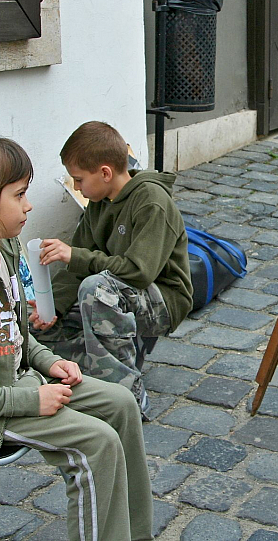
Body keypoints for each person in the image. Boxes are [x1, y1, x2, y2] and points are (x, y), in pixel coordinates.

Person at [0, 132, 153, 541]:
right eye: (19, 195)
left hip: (17, 383)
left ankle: (135, 534)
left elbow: (16, 333)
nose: (29, 205)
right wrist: (30, 400)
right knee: (97, 443)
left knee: (121, 402)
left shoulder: (4, 249)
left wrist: (47, 361)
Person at [33, 121, 192, 419]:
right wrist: (48, 309)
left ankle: (126, 397)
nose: (77, 187)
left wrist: (75, 256)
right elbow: (73, 271)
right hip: (115, 291)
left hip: (163, 300)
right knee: (35, 332)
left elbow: (138, 271)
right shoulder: (99, 201)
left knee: (96, 289)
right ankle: (98, 371)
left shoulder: (152, 202)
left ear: (105, 173)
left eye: (79, 179)